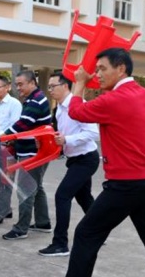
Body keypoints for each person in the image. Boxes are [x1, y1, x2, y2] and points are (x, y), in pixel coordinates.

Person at [41, 48, 145, 277]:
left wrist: (80, 83)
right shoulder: (144, 94)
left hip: (126, 185)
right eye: (96, 69)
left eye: (102, 69)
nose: (97, 74)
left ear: (121, 69)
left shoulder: (115, 99)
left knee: (86, 234)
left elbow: (77, 112)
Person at [38, 73, 99, 257]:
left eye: (53, 86)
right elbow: (62, 135)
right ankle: (99, 231)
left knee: (62, 196)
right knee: (84, 198)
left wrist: (67, 139)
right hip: (74, 160)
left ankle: (60, 244)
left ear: (65, 86)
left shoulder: (79, 105)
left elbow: (93, 133)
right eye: (49, 87)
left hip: (86, 159)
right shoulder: (59, 108)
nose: (50, 90)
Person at [1, 70, 52, 240]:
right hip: (34, 151)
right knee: (36, 187)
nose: (18, 88)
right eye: (16, 84)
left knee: (25, 190)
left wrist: (4, 136)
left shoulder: (36, 101)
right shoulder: (33, 99)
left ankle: (21, 228)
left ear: (32, 83)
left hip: (32, 153)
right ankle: (43, 222)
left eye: (21, 84)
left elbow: (23, 124)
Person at [0, 75, 22, 225]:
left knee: (6, 181)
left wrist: (0, 137)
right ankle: (6, 209)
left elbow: (15, 126)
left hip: (8, 148)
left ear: (7, 87)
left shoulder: (14, 104)